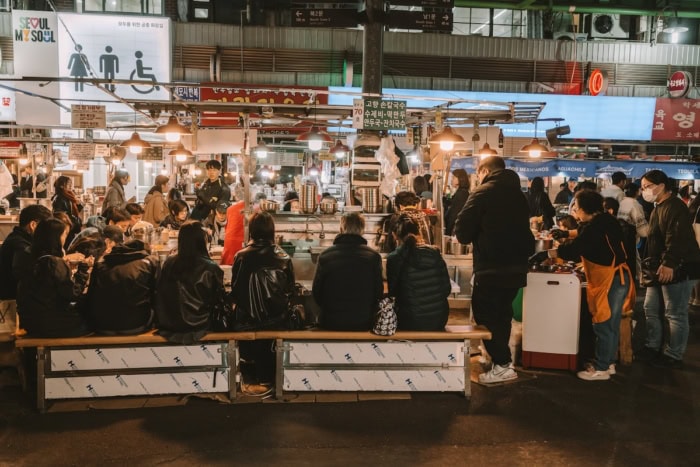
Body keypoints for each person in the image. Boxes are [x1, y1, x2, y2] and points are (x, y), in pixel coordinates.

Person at [455, 156, 534, 384]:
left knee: (485, 314)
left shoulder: (483, 192)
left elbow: (462, 231)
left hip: (492, 267)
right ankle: (500, 360)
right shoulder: (519, 194)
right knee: (502, 315)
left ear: (484, 171)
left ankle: (502, 364)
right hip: (516, 268)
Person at [544, 191, 635, 380]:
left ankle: (601, 369)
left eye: (576, 207)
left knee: (603, 323)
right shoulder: (604, 220)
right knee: (609, 323)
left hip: (611, 279)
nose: (575, 211)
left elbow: (575, 249)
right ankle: (608, 363)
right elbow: (585, 232)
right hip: (617, 277)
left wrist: (549, 254)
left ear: (585, 209)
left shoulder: (595, 227)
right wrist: (566, 232)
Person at [636, 170, 700, 369]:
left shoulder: (675, 207)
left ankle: (674, 353)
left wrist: (669, 263)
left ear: (661, 186)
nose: (644, 191)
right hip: (659, 267)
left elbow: (677, 238)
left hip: (679, 267)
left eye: (647, 186)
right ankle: (652, 345)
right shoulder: (658, 208)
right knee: (650, 308)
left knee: (675, 312)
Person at [229, 212, 294, 395]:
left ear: (252, 231)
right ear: (272, 231)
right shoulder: (284, 257)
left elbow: (235, 291)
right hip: (277, 321)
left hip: (245, 322)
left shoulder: (240, 256)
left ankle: (249, 376)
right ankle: (270, 376)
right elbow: (290, 291)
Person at [17, 219, 94, 337]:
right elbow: (73, 294)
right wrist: (83, 269)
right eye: (64, 235)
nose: (64, 239)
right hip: (51, 324)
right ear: (55, 238)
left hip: (29, 322)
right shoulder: (54, 262)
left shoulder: (27, 255)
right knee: (92, 320)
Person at [155, 221, 225, 344]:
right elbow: (219, 300)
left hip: (170, 327)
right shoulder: (211, 268)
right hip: (200, 326)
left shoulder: (169, 263)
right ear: (202, 241)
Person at [313, 212, 383, 331]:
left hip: (330, 322)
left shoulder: (325, 256)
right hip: (364, 323)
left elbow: (316, 293)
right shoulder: (373, 257)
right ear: (362, 230)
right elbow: (378, 293)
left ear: (341, 229)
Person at [387, 214, 451, 331]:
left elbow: (393, 293)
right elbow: (447, 289)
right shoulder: (434, 253)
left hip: (409, 321)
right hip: (439, 319)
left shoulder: (394, 258)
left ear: (395, 235)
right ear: (418, 232)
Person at [0, 205, 52, 337]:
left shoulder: (19, 239)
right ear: (33, 225)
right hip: (11, 304)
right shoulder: (21, 245)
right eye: (46, 228)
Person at [87, 239, 159, 335]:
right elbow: (158, 294)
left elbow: (90, 295)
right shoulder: (149, 262)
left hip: (102, 325)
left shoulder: (100, 264)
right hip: (136, 325)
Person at [52, 175, 83, 241]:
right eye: (68, 184)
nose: (70, 186)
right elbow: (60, 215)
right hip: (65, 227)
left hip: (71, 227)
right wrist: (72, 221)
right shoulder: (59, 198)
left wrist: (79, 204)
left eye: (71, 183)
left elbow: (74, 211)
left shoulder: (70, 196)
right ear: (61, 186)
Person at [444, 168, 470, 236]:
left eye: (453, 177)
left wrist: (448, 231)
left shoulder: (462, 193)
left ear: (460, 179)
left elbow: (455, 213)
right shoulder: (460, 192)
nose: (451, 180)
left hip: (454, 230)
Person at [221, 198, 246, 265]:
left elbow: (227, 228)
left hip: (230, 244)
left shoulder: (230, 209)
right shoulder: (250, 209)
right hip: (241, 244)